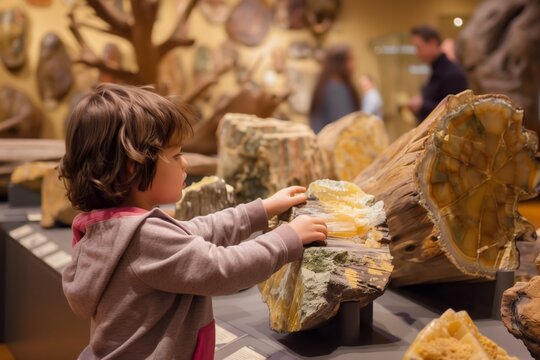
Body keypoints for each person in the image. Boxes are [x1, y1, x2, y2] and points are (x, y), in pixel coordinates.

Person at [59, 83, 327, 360]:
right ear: (133, 167)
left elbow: (196, 231)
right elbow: (222, 269)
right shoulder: (142, 237)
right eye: (176, 155)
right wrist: (287, 239)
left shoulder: (112, 230)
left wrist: (261, 209)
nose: (185, 163)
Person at [409, 26, 468, 122]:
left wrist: (422, 106)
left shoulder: (452, 72)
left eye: (419, 47)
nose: (417, 53)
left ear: (433, 42)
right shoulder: (436, 70)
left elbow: (457, 111)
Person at [309, 44, 360, 133]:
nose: (354, 65)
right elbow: (344, 128)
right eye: (351, 60)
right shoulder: (336, 89)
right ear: (341, 63)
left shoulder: (326, 85)